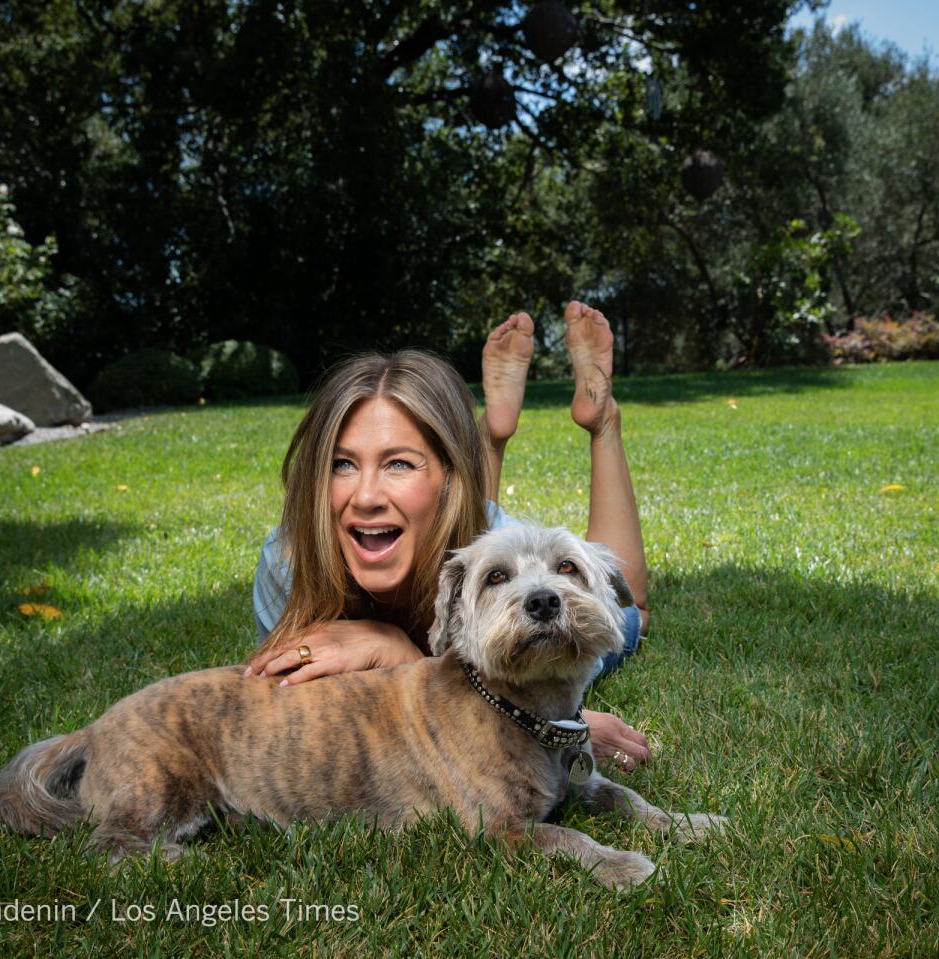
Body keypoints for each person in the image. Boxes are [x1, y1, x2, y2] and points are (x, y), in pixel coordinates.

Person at [244, 302, 652, 771]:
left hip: (473, 530)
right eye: (343, 464)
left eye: (398, 463)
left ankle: (600, 419)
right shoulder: (289, 561)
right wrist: (397, 649)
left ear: (450, 477)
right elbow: (311, 714)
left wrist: (554, 726)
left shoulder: (503, 546)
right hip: (456, 528)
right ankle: (491, 432)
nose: (366, 495)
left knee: (629, 610)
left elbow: (531, 683)